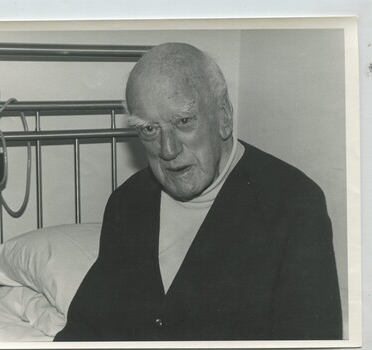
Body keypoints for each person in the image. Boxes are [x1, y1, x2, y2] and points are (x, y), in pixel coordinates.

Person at [54, 42, 343, 341]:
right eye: (149, 129)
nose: (168, 150)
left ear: (223, 117)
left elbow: (313, 338)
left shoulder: (293, 204)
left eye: (183, 121)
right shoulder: (128, 202)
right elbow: (86, 326)